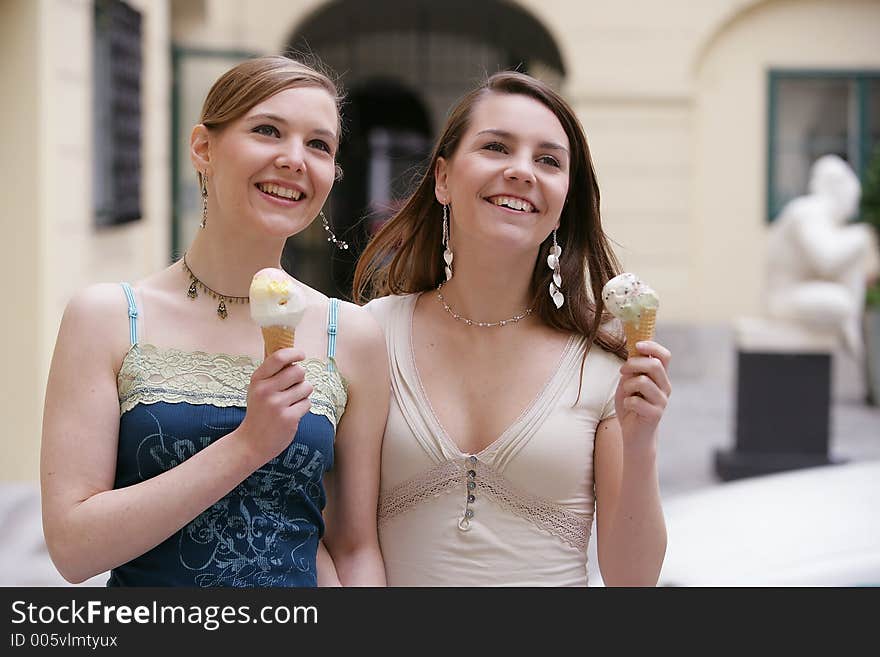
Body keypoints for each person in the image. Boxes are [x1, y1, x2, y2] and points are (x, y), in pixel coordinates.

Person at [40, 56, 388, 587]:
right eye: (268, 131)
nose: (295, 159)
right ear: (203, 148)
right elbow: (72, 549)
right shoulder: (108, 319)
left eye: (319, 145)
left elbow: (354, 548)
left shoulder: (353, 335)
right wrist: (249, 445)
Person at [353, 71, 671, 586]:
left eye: (548, 160)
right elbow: (339, 539)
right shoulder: (368, 336)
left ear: (564, 200)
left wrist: (640, 445)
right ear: (442, 179)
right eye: (497, 147)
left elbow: (632, 581)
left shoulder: (606, 366)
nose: (522, 171)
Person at [765, 153, 880, 360]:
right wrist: (862, 235)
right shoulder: (808, 213)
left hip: (802, 292)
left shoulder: (820, 217)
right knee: (842, 301)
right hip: (783, 297)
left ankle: (852, 331)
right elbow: (827, 260)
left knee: (852, 258)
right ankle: (853, 334)